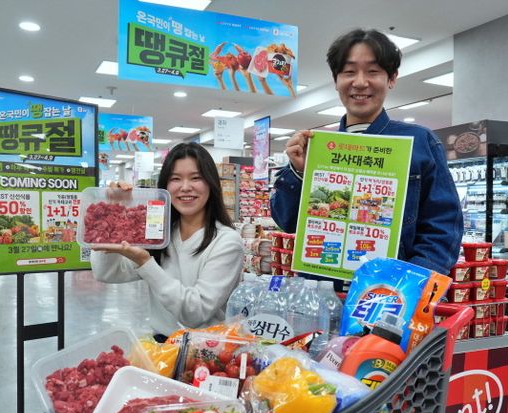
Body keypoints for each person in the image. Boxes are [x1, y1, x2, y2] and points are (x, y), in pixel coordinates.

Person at [271, 29, 463, 282]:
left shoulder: (420, 142)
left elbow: (444, 227)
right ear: (336, 80)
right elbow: (288, 222)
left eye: (373, 71)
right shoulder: (316, 148)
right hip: (324, 291)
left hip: (391, 294)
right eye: (349, 72)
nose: (360, 82)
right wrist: (299, 173)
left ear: (391, 78)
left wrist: (409, 282)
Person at [90, 143, 244, 336]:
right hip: (161, 345)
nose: (185, 187)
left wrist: (146, 263)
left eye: (196, 178)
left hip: (205, 349)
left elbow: (195, 312)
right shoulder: (158, 232)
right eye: (175, 179)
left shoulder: (226, 242)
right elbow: (106, 274)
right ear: (165, 186)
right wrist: (113, 211)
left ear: (211, 183)